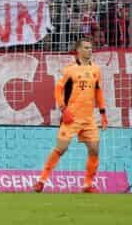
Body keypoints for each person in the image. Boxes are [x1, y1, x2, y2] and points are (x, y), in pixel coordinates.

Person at [35, 37, 107, 193]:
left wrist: (103, 113)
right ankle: (41, 180)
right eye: (86, 47)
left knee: (94, 150)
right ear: (79, 50)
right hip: (71, 117)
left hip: (88, 118)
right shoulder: (70, 70)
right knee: (61, 148)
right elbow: (58, 89)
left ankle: (87, 185)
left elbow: (98, 92)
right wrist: (63, 109)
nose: (89, 50)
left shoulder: (96, 69)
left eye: (91, 47)